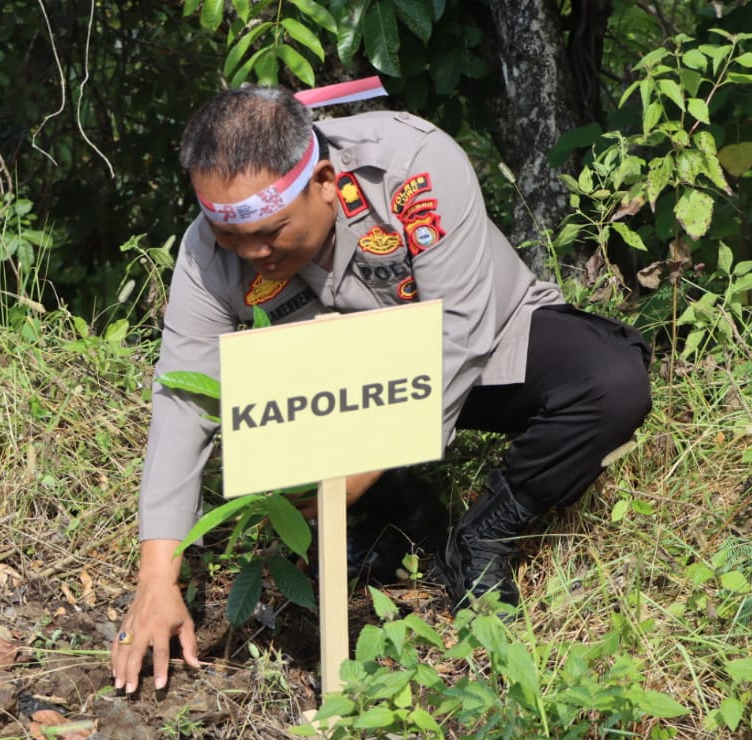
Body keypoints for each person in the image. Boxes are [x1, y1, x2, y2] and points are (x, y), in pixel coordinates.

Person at [110, 85, 651, 694]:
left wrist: (360, 465)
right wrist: (157, 575)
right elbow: (187, 399)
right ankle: (399, 509)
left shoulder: (412, 167)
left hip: (480, 351)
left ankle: (484, 534)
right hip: (343, 385)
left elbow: (461, 331)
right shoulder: (208, 250)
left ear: (320, 180)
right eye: (230, 236)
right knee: (273, 450)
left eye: (270, 231)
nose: (251, 253)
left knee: (611, 382)